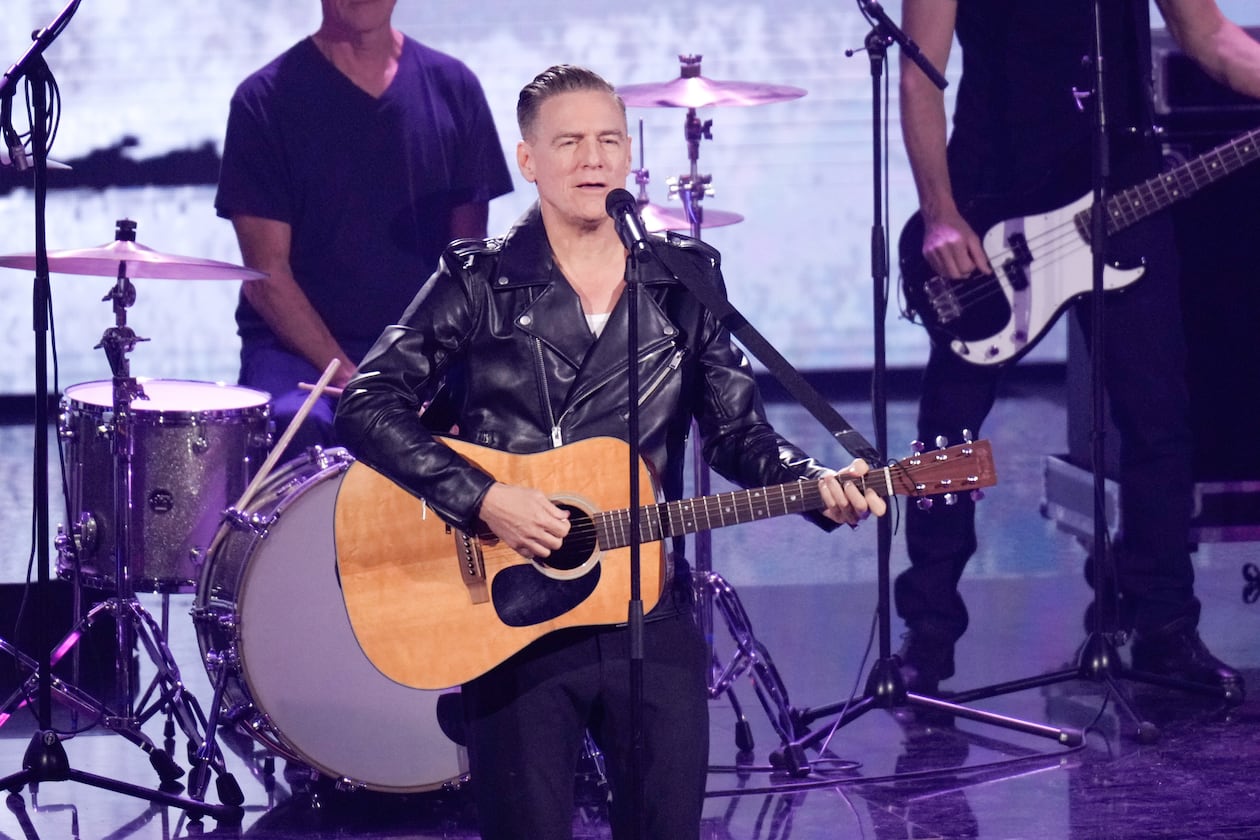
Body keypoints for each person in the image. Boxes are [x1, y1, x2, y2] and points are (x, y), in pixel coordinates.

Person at [334, 64, 888, 840]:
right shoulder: (479, 278)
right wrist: (484, 498)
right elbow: (367, 403)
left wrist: (816, 482)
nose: (592, 160)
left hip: (643, 599)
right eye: (568, 142)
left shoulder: (684, 280)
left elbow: (736, 433)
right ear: (528, 161)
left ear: (630, 154)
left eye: (607, 140)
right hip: (510, 610)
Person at [896, 0, 1260, 697]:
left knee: (1159, 422)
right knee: (949, 429)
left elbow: (1210, 38)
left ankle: (1162, 627)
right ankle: (929, 632)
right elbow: (920, 76)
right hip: (991, 194)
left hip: (1123, 187)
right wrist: (940, 212)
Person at [215, 0, 513, 460]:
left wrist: (427, 375)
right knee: (301, 426)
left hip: (419, 356)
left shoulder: (455, 88)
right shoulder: (264, 100)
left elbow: (467, 268)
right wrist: (355, 384)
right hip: (299, 359)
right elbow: (267, 278)